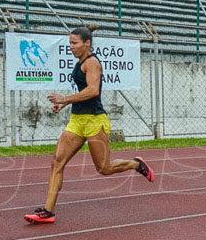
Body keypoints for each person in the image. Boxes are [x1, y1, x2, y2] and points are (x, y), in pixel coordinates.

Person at [24, 25, 154, 224]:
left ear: (87, 44)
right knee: (57, 162)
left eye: (74, 43)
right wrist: (63, 104)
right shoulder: (79, 63)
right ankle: (48, 212)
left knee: (104, 168)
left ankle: (136, 164)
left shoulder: (92, 63)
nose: (71, 47)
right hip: (77, 121)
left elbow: (93, 91)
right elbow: (81, 91)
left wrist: (65, 99)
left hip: (94, 121)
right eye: (69, 43)